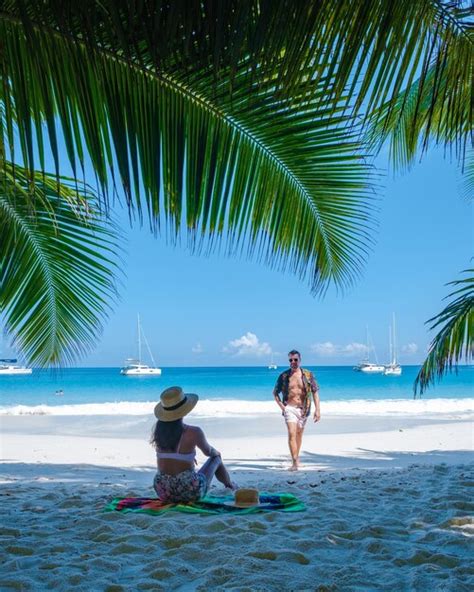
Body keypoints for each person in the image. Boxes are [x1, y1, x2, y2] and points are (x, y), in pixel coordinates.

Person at [151, 386, 236, 502]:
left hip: (164, 491)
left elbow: (171, 457)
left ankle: (229, 485)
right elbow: (208, 452)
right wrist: (216, 452)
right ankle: (230, 485)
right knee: (216, 457)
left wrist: (187, 457)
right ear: (184, 410)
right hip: (190, 491)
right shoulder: (193, 432)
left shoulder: (159, 432)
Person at [273, 350, 321, 471]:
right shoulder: (284, 376)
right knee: (292, 433)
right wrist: (282, 407)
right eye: (290, 360)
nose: (293, 362)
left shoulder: (308, 375)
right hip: (289, 408)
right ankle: (294, 463)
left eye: (295, 359)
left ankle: (296, 458)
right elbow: (275, 393)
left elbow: (315, 392)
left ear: (300, 360)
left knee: (299, 435)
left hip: (304, 409)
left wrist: (318, 410)